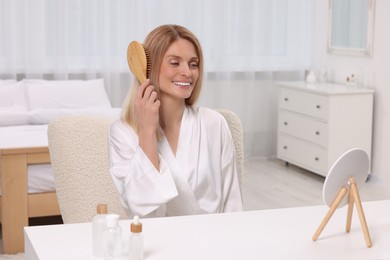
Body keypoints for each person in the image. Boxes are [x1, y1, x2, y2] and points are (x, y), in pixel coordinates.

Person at [109, 24, 243, 218]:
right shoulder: (123, 132)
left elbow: (233, 203)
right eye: (175, 62)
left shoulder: (214, 123)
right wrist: (147, 130)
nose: (187, 72)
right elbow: (142, 208)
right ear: (149, 67)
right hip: (155, 241)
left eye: (193, 64)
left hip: (214, 240)